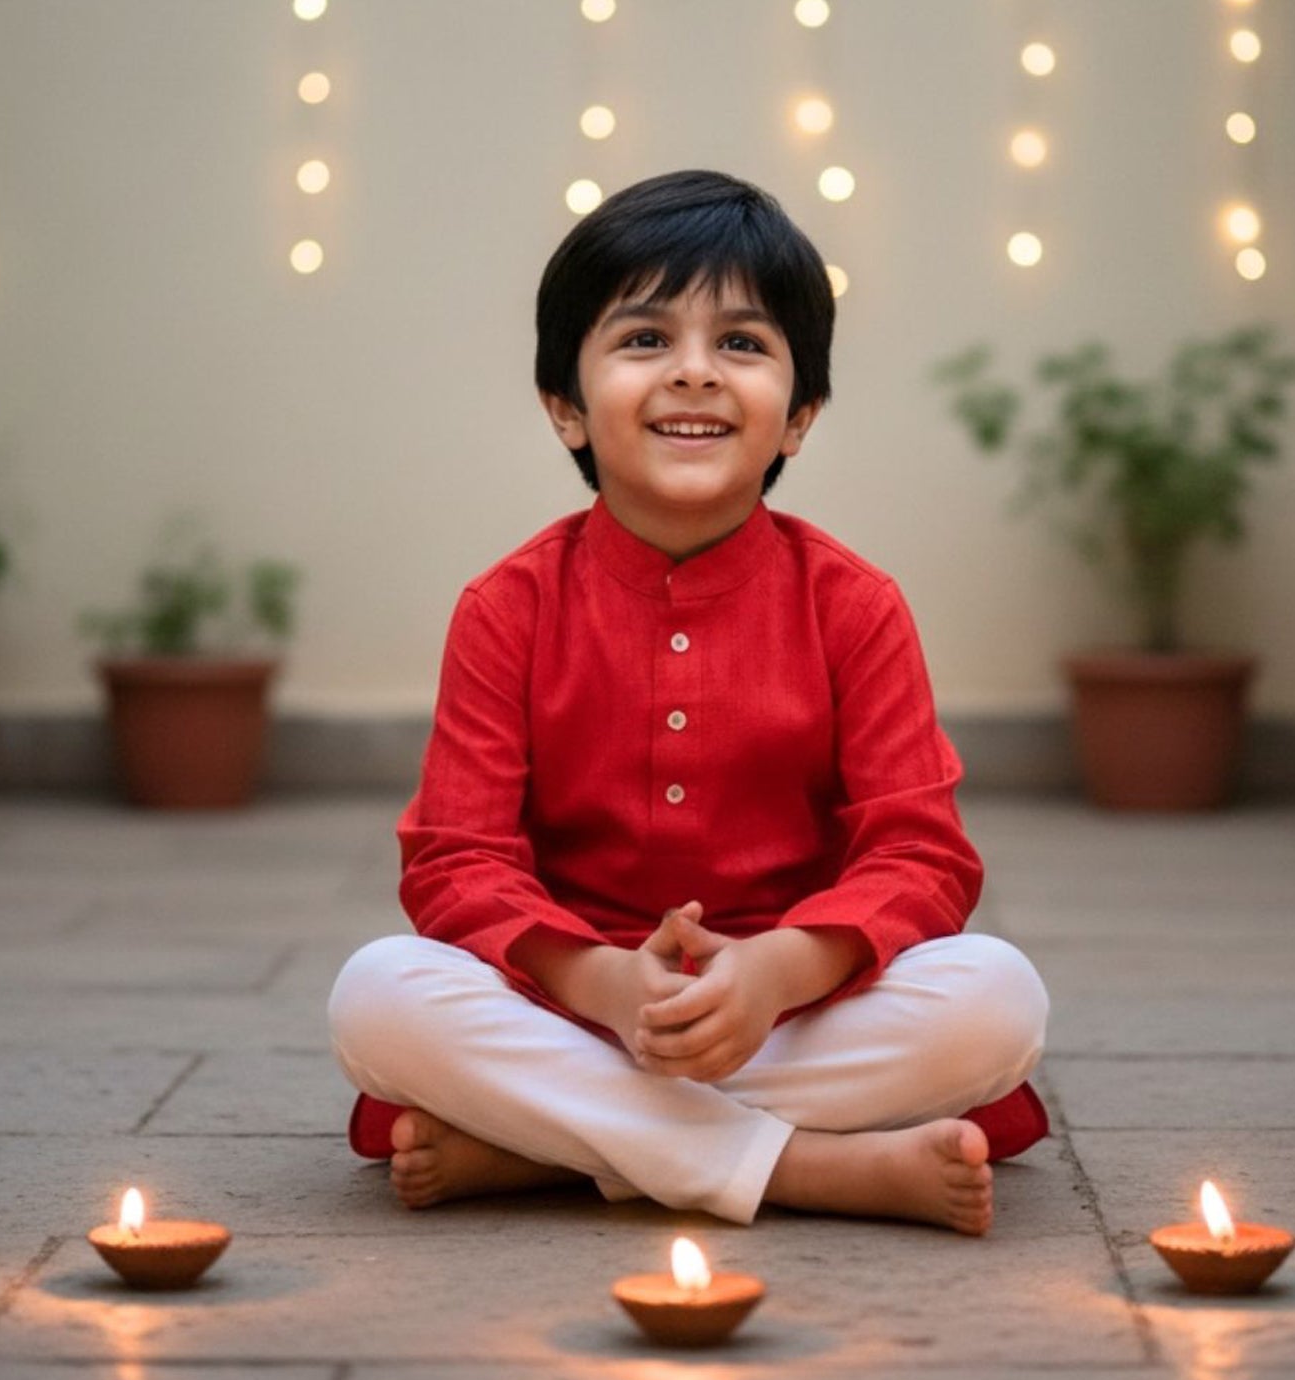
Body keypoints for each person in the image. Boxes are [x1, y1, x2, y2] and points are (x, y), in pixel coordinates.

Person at [328, 169, 1049, 1236]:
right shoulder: (507, 608)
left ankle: (548, 1147)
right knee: (376, 994)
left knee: (998, 997)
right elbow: (455, 862)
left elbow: (922, 857)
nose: (696, 375)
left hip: (792, 1011)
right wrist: (611, 988)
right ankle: (808, 1168)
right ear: (566, 405)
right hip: (573, 1005)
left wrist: (772, 975)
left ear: (799, 417)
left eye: (743, 345)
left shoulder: (854, 606)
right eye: (646, 340)